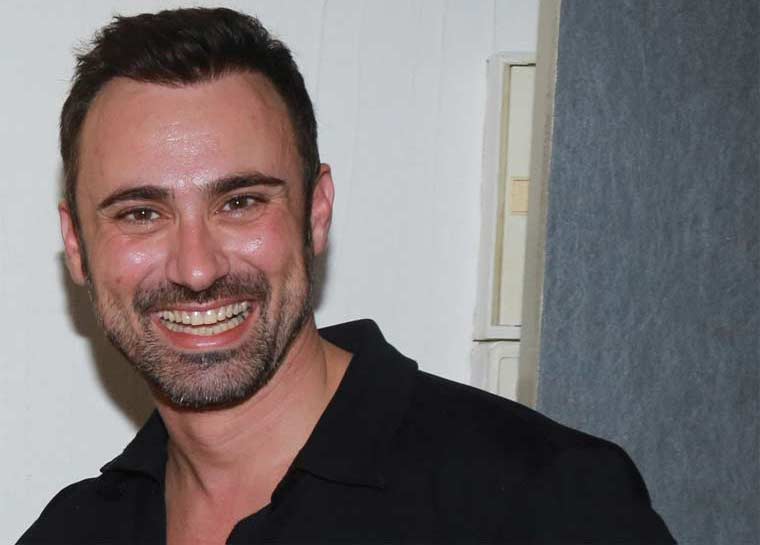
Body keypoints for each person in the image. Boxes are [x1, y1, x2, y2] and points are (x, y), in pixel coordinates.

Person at [18, 7, 675, 544]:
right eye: (140, 213)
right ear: (76, 244)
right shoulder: (74, 530)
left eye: (240, 202)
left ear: (316, 212)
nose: (196, 267)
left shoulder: (545, 503)